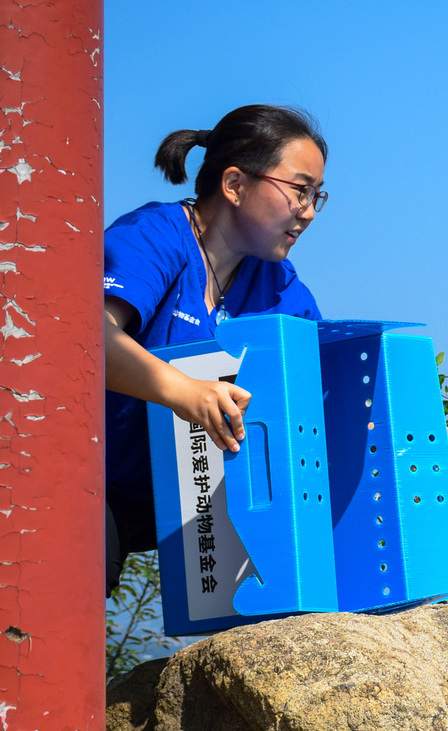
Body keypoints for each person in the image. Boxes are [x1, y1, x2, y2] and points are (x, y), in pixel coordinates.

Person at [104, 104, 328, 596]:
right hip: (95, 482)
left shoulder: (280, 288)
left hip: (189, 500)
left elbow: (318, 388)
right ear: (235, 184)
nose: (309, 212)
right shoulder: (155, 238)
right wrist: (185, 392)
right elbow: (88, 340)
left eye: (317, 195)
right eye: (299, 189)